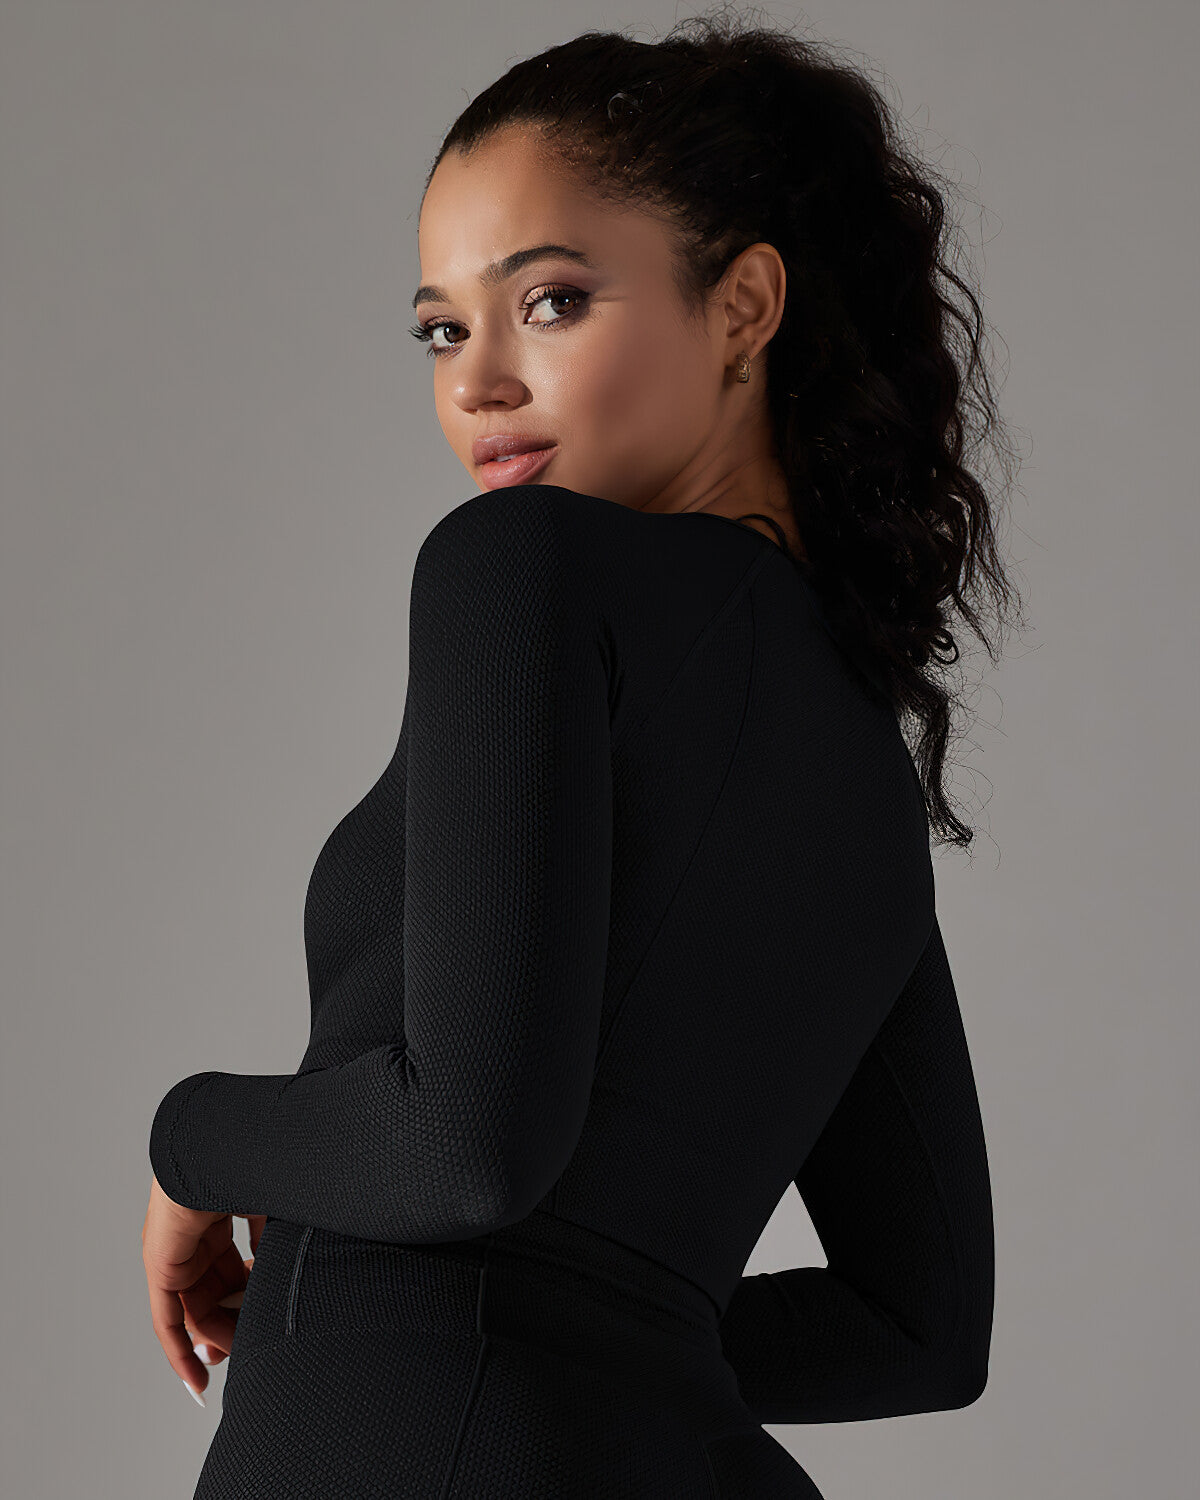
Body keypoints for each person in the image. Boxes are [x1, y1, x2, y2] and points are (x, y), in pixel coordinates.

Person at [142, 13, 1017, 1496]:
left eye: (548, 302)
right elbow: (919, 1334)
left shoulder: (523, 566)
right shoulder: (862, 774)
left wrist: (190, 1143)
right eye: (442, 330)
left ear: (744, 305)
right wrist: (614, 1337)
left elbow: (460, 1146)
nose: (477, 382)